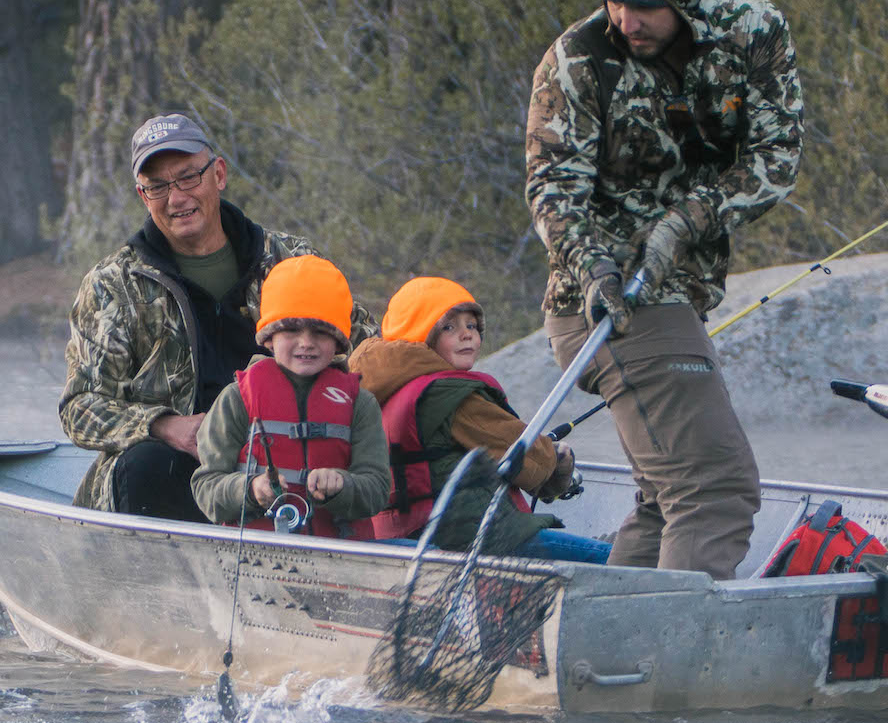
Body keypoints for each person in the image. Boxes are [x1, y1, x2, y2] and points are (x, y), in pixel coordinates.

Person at [523, 0, 804, 579]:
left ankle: (605, 651)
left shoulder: (752, 32)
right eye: (614, 1)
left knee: (664, 500)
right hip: (608, 306)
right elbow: (553, 187)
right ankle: (678, 671)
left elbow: (776, 155)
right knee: (714, 490)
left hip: (681, 287)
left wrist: (685, 223)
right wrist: (595, 268)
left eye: (644, 4)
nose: (627, 20)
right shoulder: (576, 61)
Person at [61, 113, 377, 519]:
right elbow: (79, 407)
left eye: (188, 177)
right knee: (144, 467)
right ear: (144, 196)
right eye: (157, 186)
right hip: (176, 471)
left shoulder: (290, 260)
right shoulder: (113, 284)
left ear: (219, 174)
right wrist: (166, 427)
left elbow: (368, 345)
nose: (176, 198)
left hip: (292, 461)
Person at [349, 277, 607, 563]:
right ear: (422, 336)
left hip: (406, 537)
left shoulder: (383, 389)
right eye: (449, 327)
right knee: (612, 560)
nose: (467, 335)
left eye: (471, 325)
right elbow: (529, 458)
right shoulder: (453, 394)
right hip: (472, 539)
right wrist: (559, 462)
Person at [189, 256, 391, 534]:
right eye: (292, 330)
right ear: (269, 338)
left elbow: (378, 490)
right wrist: (250, 489)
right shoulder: (236, 398)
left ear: (339, 341)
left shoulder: (361, 403)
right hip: (253, 558)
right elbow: (206, 489)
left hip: (338, 561)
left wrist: (342, 486)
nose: (306, 343)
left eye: (321, 332)